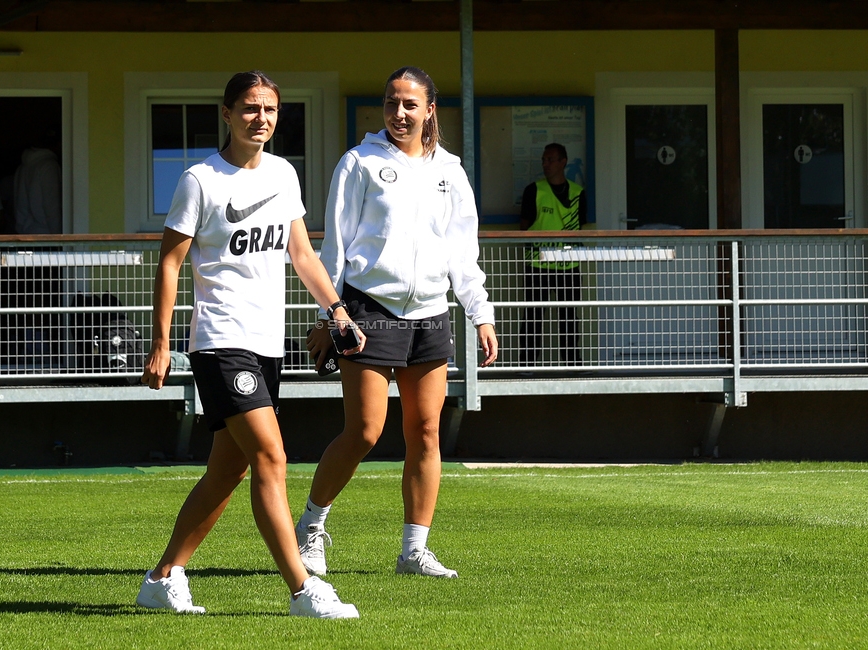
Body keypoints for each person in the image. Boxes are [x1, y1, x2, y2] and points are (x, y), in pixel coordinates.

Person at [136, 71, 363, 619]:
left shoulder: (284, 174)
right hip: (220, 342)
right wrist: (162, 342)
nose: (260, 119)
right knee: (271, 456)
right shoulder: (199, 180)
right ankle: (303, 589)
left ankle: (163, 577)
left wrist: (336, 311)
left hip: (267, 344)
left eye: (269, 110)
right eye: (249, 109)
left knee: (227, 471)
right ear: (227, 113)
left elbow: (303, 254)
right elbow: (169, 261)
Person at [299, 66, 498, 579]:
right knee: (364, 431)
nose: (400, 113)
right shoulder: (359, 162)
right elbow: (335, 248)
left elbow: (462, 251)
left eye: (410, 104)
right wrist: (330, 314)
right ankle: (311, 527)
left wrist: (480, 313)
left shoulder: (450, 171)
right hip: (367, 311)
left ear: (430, 109)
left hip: (430, 314)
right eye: (392, 103)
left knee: (426, 432)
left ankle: (414, 551)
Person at [518, 142, 586, 365]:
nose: (546, 164)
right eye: (543, 160)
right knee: (533, 316)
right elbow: (524, 226)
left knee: (569, 317)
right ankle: (527, 365)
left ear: (563, 162)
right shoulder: (534, 190)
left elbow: (580, 225)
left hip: (569, 264)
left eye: (550, 160)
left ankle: (572, 364)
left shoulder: (578, 192)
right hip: (539, 265)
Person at [13, 139, 61, 234]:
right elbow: (52, 207)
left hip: (25, 233)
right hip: (46, 235)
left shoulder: (22, 167)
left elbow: (18, 205)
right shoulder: (49, 167)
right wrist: (59, 238)